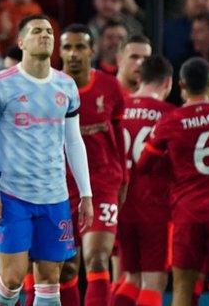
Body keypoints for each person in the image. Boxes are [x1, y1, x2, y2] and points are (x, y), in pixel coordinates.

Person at [0, 14, 94, 306]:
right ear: (20, 41)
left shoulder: (65, 86)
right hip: (12, 195)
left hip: (54, 197)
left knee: (51, 280)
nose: (45, 36)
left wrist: (86, 193)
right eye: (37, 31)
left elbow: (73, 142)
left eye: (49, 31)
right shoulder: (0, 84)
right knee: (12, 278)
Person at [136, 57, 209, 306]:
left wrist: (176, 164)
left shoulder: (170, 121)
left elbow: (145, 165)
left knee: (182, 290)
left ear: (181, 84)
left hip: (186, 214)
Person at [57, 23, 126, 306]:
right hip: (60, 186)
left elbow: (119, 137)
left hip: (102, 183)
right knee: (66, 268)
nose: (74, 54)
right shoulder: (51, 87)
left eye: (80, 47)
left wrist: (124, 178)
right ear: (59, 52)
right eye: (68, 47)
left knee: (97, 259)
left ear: (92, 51)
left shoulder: (110, 87)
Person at [117, 55, 175, 306]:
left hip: (122, 204)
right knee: (153, 282)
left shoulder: (119, 109)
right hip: (155, 207)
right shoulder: (170, 115)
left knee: (131, 278)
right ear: (168, 83)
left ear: (139, 78)